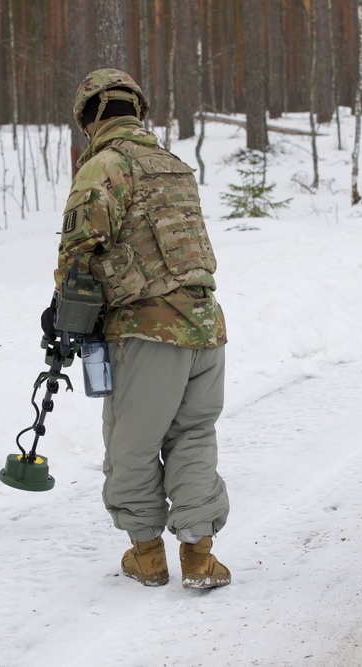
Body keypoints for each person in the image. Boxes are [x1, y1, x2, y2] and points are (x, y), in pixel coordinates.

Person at [42, 68, 231, 589]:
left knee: (133, 443)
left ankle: (147, 557)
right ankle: (199, 556)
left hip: (147, 331)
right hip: (206, 326)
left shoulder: (104, 165)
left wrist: (62, 311)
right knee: (194, 435)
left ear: (88, 115)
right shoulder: (173, 164)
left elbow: (78, 255)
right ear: (137, 109)